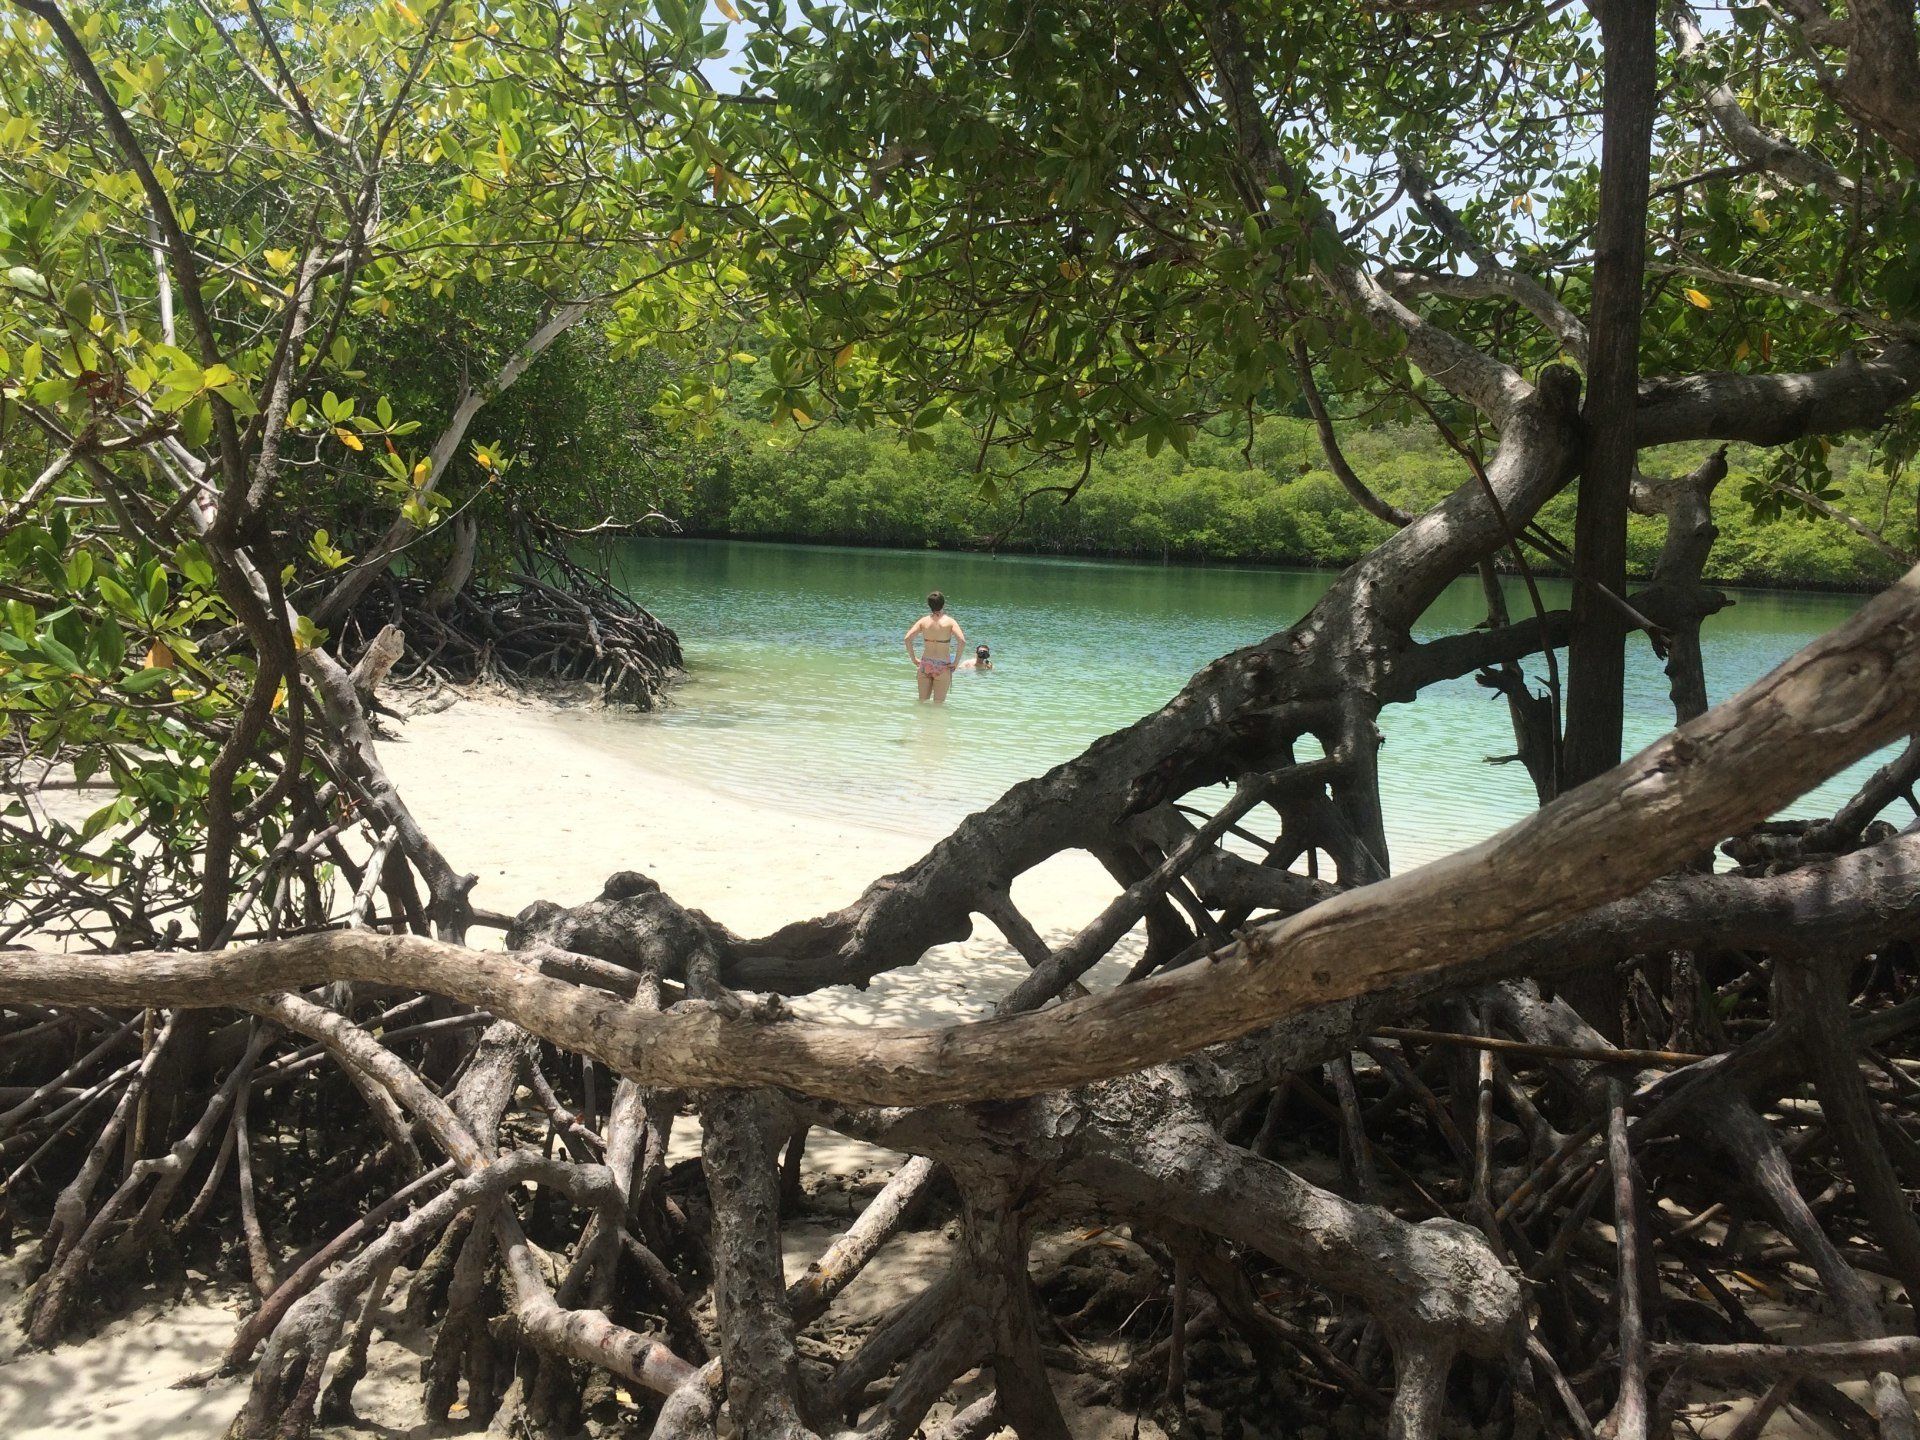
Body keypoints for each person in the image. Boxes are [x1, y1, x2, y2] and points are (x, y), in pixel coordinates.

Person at [904, 590, 965, 703]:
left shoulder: (923, 621)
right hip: (943, 666)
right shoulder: (950, 622)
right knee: (938, 705)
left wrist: (913, 659)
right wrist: (956, 662)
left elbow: (907, 639)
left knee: (922, 702)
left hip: (925, 664)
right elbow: (962, 641)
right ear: (943, 604)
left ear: (929, 605)